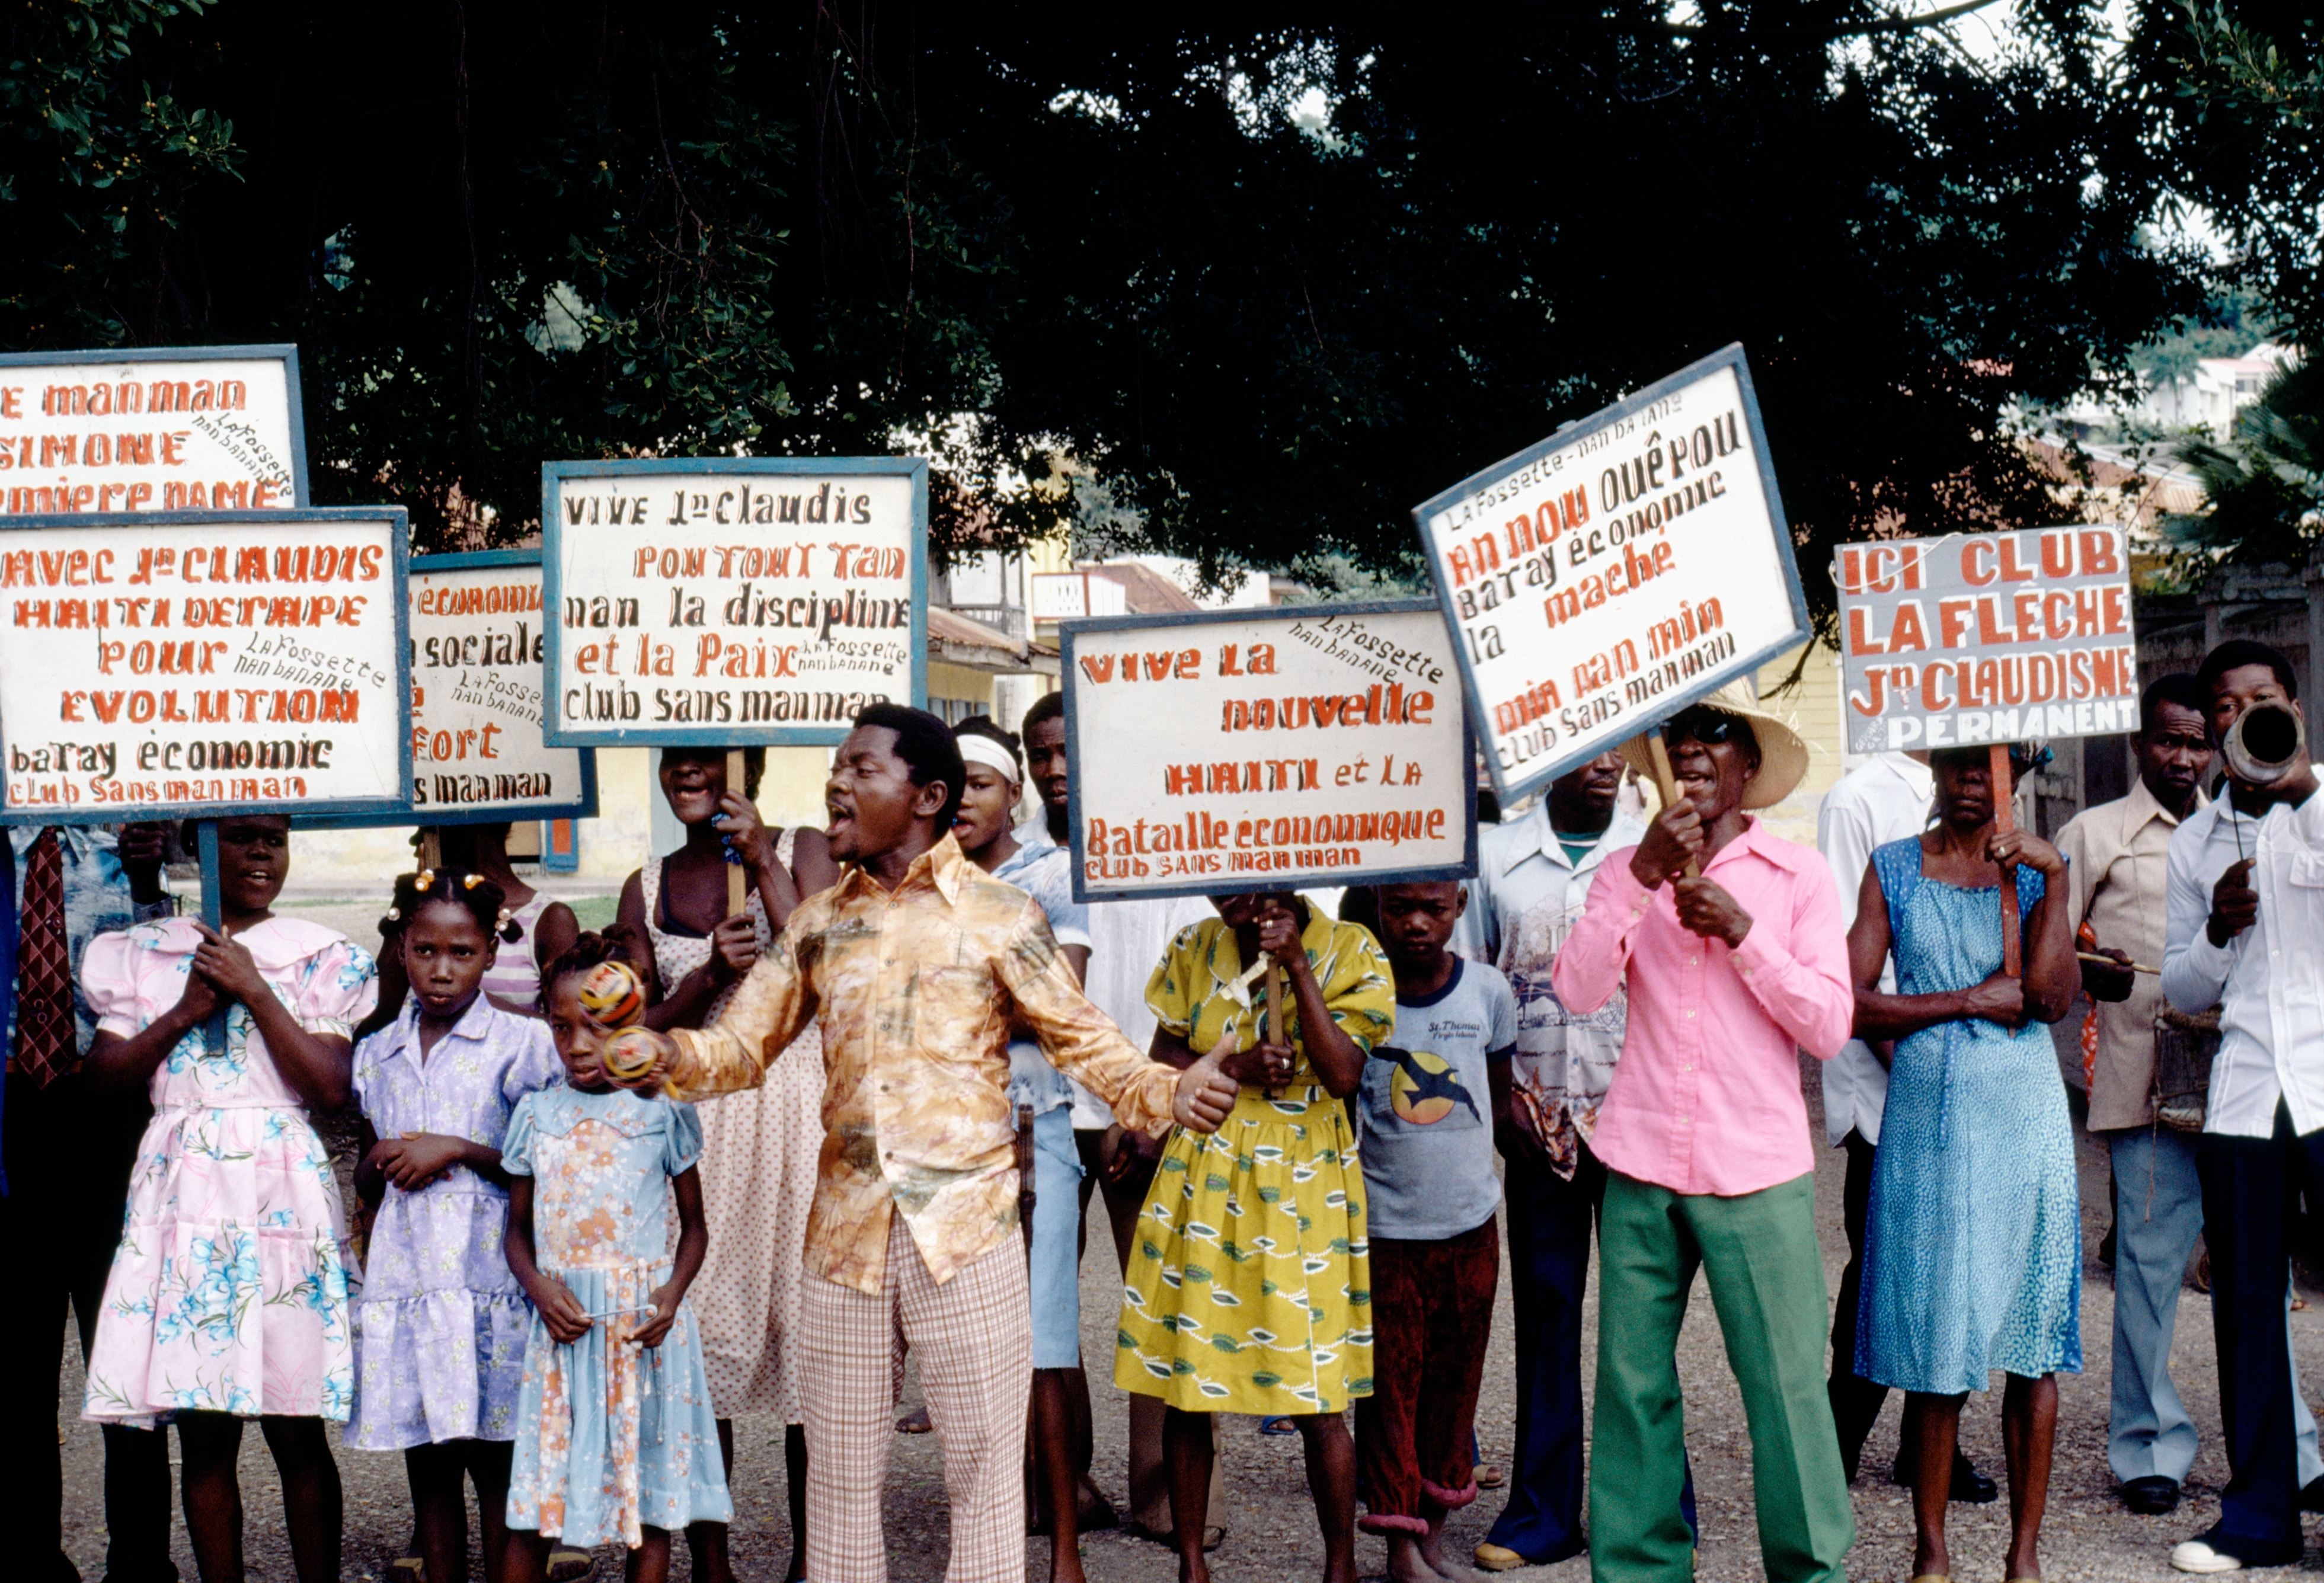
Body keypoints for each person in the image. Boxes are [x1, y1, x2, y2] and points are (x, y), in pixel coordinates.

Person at [602, 703, 1240, 1583]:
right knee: (838, 1483)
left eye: (862, 768)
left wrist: (1171, 1089)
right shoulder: (819, 923)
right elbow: (741, 1046)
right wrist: (663, 1052)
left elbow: (1084, 1039)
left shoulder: (1001, 915)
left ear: (928, 795)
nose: (837, 782)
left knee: (983, 1480)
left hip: (968, 1233)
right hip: (842, 1240)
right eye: (837, 765)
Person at [1552, 683, 1855, 1583]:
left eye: (1717, 735)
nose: (1694, 750)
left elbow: (1830, 1026)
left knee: (1788, 1391)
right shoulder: (1624, 869)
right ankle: (1641, 1569)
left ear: (1747, 766)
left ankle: (1811, 1571)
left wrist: (1745, 934)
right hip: (1641, 1159)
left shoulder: (1796, 877)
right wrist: (1642, 876)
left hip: (1754, 1166)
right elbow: (1574, 992)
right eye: (1681, 736)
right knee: (1633, 1390)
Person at [78, 814, 379, 1583]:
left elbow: (328, 1086)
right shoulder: (146, 951)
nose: (259, 853)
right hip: (186, 1194)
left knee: (295, 1422)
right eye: (239, 836)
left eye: (272, 838)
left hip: (278, 1189)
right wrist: (184, 1009)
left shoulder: (315, 953)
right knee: (206, 1428)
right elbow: (105, 1085)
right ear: (199, 846)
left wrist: (253, 988)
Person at [2064, 674, 2322, 1519]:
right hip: (2154, 1076)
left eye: (2197, 743)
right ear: (2142, 742)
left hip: (2260, 1077)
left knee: (2259, 1276)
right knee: (2148, 1266)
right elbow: (2058, 947)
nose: (2184, 755)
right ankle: (2149, 1446)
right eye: (2168, 740)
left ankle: (2296, 1453)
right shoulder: (2099, 831)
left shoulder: (2294, 808)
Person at [1848, 744, 2080, 1582]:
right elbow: (1848, 999)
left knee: (2034, 1333)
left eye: (1991, 766)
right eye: (1959, 765)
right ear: (1937, 775)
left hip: (2024, 1111)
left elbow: (2050, 998)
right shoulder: (1895, 866)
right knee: (1937, 1330)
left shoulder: (2037, 873)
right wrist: (1963, 1000)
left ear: (2013, 775)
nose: (1974, 780)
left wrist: (2054, 881)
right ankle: (1932, 1547)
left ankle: (2024, 1552)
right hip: (1927, 1115)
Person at [1118, 885, 1393, 1583]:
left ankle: (1341, 1568)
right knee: (1190, 1378)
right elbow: (1162, 1065)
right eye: (1220, 877)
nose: (1232, 892)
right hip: (1205, 1169)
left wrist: (1299, 965)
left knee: (1315, 1388)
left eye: (1252, 876)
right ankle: (1191, 1564)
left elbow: (1342, 1073)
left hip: (1303, 1181)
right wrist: (1234, 1069)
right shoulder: (1193, 947)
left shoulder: (1352, 948)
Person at [616, 745, 829, 1583]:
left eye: (709, 761)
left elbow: (829, 965)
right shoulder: (648, 882)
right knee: (702, 1338)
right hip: (701, 1122)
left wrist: (763, 857)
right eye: (677, 762)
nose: (689, 776)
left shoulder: (805, 844)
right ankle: (713, 1560)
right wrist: (710, 969)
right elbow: (638, 1026)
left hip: (799, 1106)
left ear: (752, 765)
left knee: (812, 1335)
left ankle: (818, 1557)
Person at [1018, 688, 1224, 1547]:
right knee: (1037, 1310)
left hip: (1148, 1112)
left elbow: (1199, 995)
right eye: (1041, 753)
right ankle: (1055, 1484)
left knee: (1163, 1303)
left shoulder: (1165, 852)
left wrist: (1152, 1105)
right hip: (1046, 1113)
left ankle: (1164, 1492)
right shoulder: (1023, 865)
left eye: (1070, 749)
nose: (1056, 768)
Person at [1452, 751, 1645, 1571]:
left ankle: (1647, 1509)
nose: (1605, 762)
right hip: (1536, 1123)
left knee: (1643, 1325)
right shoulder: (1497, 855)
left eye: (1619, 746)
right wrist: (1499, 1107)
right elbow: (1469, 988)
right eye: (1586, 746)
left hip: (1641, 1122)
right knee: (1548, 1308)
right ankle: (1541, 1509)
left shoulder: (1651, 848)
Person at [348, 869, 564, 1583]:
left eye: (463, 953)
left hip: (492, 1280)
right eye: (426, 951)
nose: (442, 971)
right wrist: (379, 1161)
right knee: (430, 1465)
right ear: (403, 948)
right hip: (414, 1283)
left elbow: (554, 1161)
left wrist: (461, 1148)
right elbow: (367, 1175)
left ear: (492, 952)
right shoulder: (376, 1051)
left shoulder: (521, 1044)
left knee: (500, 1461)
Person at [2161, 641, 2324, 1575]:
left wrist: (2301, 793)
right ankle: (2260, 1517)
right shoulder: (2194, 837)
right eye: (2225, 705)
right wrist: (2220, 926)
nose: (2243, 715)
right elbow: (2180, 981)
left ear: (2294, 707)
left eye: (2262, 698)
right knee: (2248, 1306)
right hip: (2246, 1094)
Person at [503, 935, 729, 1582]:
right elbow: (514, 1233)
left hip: (642, 1332)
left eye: (599, 1026)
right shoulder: (537, 1114)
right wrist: (540, 1289)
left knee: (647, 1502)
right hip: (565, 1332)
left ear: (632, 1020)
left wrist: (671, 1295)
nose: (579, 1044)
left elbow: (695, 1229)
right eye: (562, 1026)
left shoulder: (662, 1112)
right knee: (539, 1499)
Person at [1817, 744, 2003, 1506]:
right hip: (1889, 1086)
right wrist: (1924, 1063)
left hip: (1978, 1086)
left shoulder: (2004, 805)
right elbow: (1842, 967)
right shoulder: (1858, 797)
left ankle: (1928, 1445)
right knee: (1883, 1267)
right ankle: (1836, 1441)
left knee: (1957, 1262)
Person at [949, 717, 1106, 1583]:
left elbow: (1059, 1000)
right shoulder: (924, 882)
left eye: (982, 781)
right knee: (967, 1337)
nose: (965, 798)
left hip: (1037, 1121)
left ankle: (1065, 1547)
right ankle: (991, 1532)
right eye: (953, 784)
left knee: (1044, 1333)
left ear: (1012, 791)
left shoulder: (1052, 874)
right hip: (947, 1129)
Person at [1, 821, 179, 1583]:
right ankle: (27, 1556)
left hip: (109, 1111)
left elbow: (167, 964)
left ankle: (141, 1561)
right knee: (15, 1366)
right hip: (11, 1119)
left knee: (127, 1356)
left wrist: (147, 881)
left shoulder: (128, 838)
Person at [1359, 881, 1514, 1583]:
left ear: (1457, 907)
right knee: (1393, 1394)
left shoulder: (1487, 991)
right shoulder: (1361, 995)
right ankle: (1398, 1551)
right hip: (1386, 1233)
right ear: (1378, 912)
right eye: (1399, 910)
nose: (1417, 924)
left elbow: (1501, 1101)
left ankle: (1435, 1539)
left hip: (1471, 1227)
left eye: (1434, 909)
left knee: (1457, 1387)